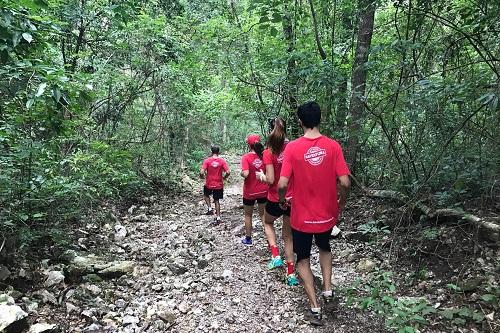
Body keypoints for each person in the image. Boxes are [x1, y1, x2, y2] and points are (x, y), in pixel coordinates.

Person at [278, 101, 350, 326]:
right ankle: (328, 291)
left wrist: (282, 200)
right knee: (325, 247)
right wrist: (341, 202)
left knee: (303, 259)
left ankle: (314, 307)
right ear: (320, 119)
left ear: (300, 122)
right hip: (327, 215)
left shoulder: (292, 148)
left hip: (301, 217)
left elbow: (282, 183)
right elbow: (345, 182)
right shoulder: (333, 146)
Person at [256, 117, 299, 286]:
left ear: (270, 130)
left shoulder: (268, 151)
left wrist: (261, 176)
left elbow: (271, 179)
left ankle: (275, 256)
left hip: (275, 198)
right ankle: (291, 274)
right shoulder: (293, 148)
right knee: (288, 237)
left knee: (267, 223)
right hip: (292, 198)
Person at [240, 134, 268, 246]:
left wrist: (241, 173)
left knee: (248, 215)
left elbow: (246, 174)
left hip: (249, 192)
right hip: (263, 190)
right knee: (263, 215)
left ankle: (248, 239)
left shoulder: (246, 157)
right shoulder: (264, 155)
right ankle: (268, 238)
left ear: (248, 144)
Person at [200, 145, 230, 223]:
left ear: (211, 151)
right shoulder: (222, 161)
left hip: (209, 183)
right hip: (218, 184)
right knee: (216, 200)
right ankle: (218, 217)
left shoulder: (207, 161)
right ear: (218, 152)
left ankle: (210, 208)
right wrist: (224, 177)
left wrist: (202, 177)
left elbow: (201, 172)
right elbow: (228, 172)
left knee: (206, 195)